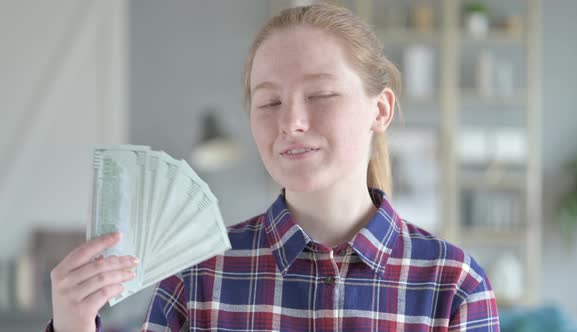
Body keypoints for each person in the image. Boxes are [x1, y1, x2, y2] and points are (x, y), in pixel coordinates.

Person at [46, 3, 499, 332]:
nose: (291, 122)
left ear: (380, 110)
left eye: (320, 94)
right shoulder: (197, 276)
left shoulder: (454, 284)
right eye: (270, 101)